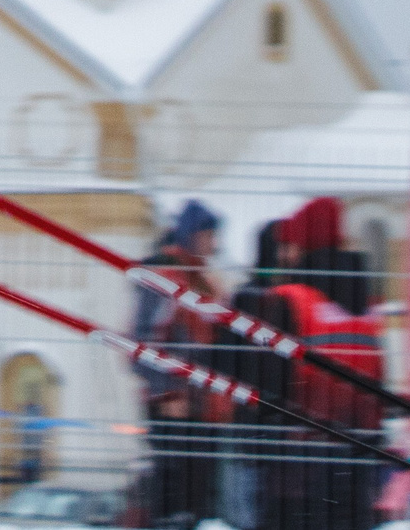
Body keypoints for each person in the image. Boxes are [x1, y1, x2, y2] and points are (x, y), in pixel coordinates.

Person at [236, 198, 382, 530]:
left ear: (303, 247)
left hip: (294, 475)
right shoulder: (368, 310)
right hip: (353, 471)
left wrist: (253, 445)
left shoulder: (289, 300)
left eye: (289, 246)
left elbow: (266, 386)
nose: (283, 255)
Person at [130, 199, 229, 529]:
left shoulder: (205, 281)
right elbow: (141, 344)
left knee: (196, 500)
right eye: (209, 235)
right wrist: (168, 393)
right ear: (192, 235)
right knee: (176, 498)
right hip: (175, 407)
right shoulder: (166, 277)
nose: (214, 244)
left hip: (203, 407)